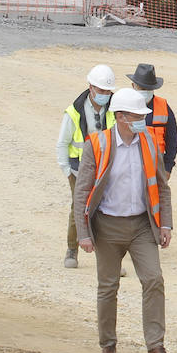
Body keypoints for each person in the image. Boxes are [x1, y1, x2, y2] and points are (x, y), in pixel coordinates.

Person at [74, 87, 176, 353]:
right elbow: (81, 193)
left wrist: (165, 223)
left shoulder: (149, 144)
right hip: (107, 226)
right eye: (137, 116)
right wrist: (83, 233)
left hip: (142, 225)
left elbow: (162, 188)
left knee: (153, 279)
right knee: (108, 287)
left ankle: (155, 347)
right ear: (120, 117)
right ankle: (108, 346)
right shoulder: (97, 144)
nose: (142, 120)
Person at [57, 65, 117, 269]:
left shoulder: (114, 109)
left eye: (108, 91)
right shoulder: (74, 112)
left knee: (108, 211)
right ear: (91, 87)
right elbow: (62, 143)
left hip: (106, 170)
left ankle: (109, 258)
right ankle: (72, 250)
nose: (104, 95)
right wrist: (66, 171)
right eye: (101, 91)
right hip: (79, 170)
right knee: (79, 209)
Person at [127, 63, 177, 176]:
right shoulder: (124, 106)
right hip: (129, 167)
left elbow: (172, 140)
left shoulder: (163, 106)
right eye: (142, 88)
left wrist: (168, 168)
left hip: (156, 169)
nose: (145, 91)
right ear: (133, 85)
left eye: (148, 88)